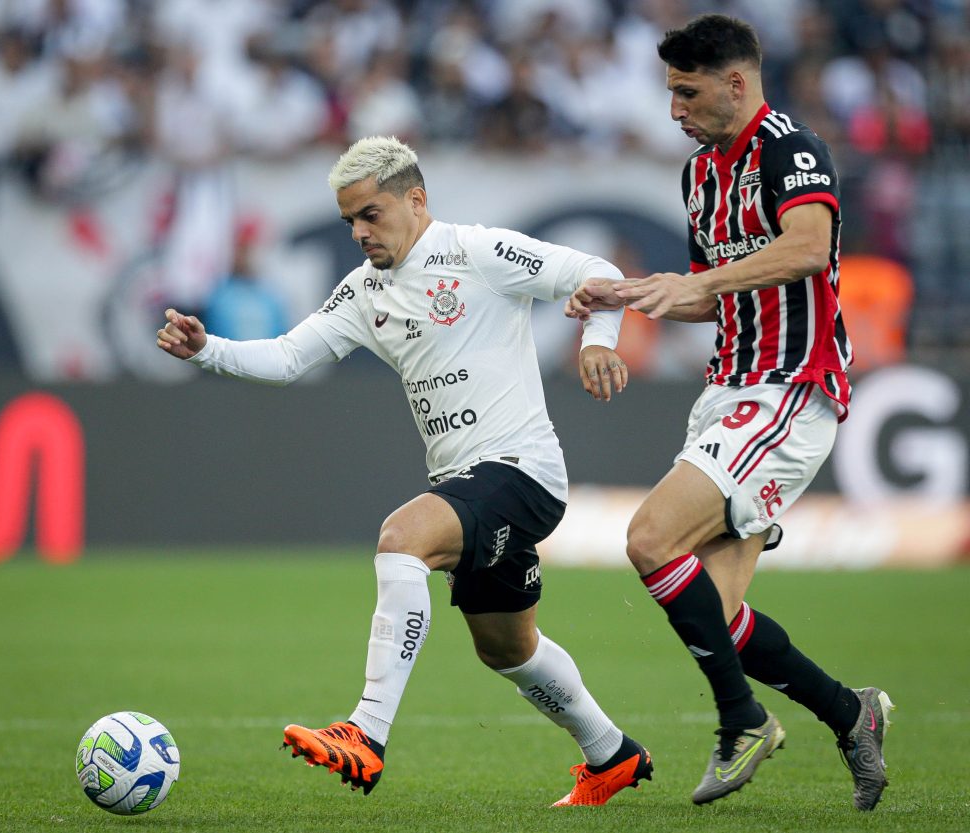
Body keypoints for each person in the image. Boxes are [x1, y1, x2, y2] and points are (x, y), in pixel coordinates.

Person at [157, 136, 652, 806]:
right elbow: (287, 357)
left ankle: (365, 731)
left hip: (523, 470)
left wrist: (598, 341)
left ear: (415, 200)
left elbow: (593, 268)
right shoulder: (363, 291)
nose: (360, 232)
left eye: (371, 214)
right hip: (468, 485)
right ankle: (612, 754)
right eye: (350, 221)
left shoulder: (476, 252)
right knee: (508, 649)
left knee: (402, 536)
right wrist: (206, 348)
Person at [567, 14, 893, 810]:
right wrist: (632, 296)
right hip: (729, 388)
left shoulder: (790, 146)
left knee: (648, 537)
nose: (673, 108)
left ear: (736, 83)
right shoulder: (699, 173)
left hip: (790, 387)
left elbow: (808, 246)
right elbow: (712, 290)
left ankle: (742, 719)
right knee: (719, 611)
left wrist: (702, 284)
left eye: (687, 91)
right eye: (669, 92)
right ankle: (852, 714)